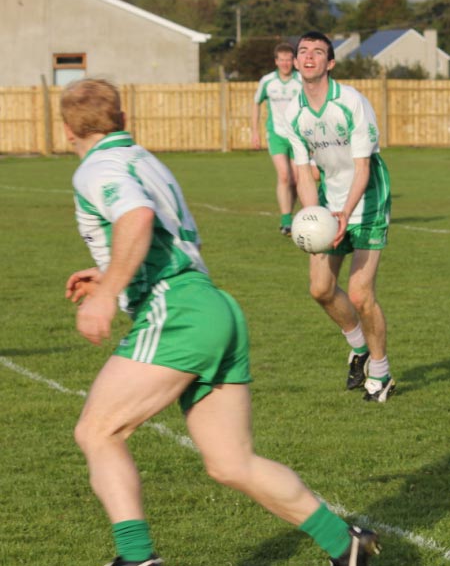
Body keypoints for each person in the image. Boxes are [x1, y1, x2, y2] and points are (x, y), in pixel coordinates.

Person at [62, 78, 381, 566]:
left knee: (97, 432)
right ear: (122, 119)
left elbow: (137, 218)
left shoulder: (97, 167)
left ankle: (137, 558)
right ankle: (346, 544)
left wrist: (107, 293)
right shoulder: (143, 158)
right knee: (232, 463)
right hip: (213, 306)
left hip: (178, 310)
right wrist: (110, 275)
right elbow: (163, 232)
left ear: (67, 130)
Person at [285, 31, 395, 403]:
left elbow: (363, 167)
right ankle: (359, 347)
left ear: (330, 63)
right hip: (331, 202)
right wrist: (314, 216)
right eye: (303, 52)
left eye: (318, 52)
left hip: (367, 200)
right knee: (320, 288)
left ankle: (380, 374)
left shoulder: (351, 102)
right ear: (296, 62)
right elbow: (302, 172)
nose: (310, 57)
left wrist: (345, 214)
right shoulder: (293, 112)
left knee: (362, 294)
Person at [252, 43, 303, 236]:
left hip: (298, 136)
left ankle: (293, 215)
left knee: (297, 179)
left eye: (288, 59)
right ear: (276, 61)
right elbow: (256, 103)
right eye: (281, 59)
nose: (285, 63)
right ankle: (286, 221)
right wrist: (255, 132)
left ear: (294, 61)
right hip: (276, 134)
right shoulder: (268, 81)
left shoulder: (300, 80)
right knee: (284, 175)